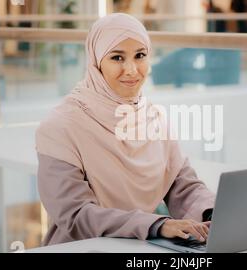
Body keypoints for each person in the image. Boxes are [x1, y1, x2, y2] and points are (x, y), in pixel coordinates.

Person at [35, 13, 216, 246]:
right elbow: (75, 214)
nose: (131, 70)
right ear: (96, 62)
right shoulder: (60, 126)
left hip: (139, 247)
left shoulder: (153, 118)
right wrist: (156, 225)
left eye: (140, 55)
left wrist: (212, 214)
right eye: (117, 57)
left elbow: (182, 185)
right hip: (80, 248)